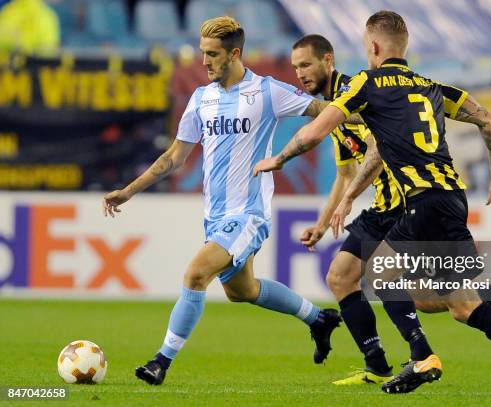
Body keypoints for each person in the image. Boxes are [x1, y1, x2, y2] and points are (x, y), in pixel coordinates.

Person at [255, 11, 491, 397]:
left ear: (373, 47)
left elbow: (315, 131)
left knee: (379, 275)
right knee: (458, 306)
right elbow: (489, 122)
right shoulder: (432, 87)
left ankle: (421, 355)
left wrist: (280, 158)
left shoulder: (366, 84)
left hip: (420, 202)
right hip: (450, 200)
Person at [102, 16, 343, 386]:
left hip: (249, 214)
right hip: (214, 217)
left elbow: (327, 112)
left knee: (195, 274)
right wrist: (129, 190)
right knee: (243, 291)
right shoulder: (202, 98)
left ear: (234, 54)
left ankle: (160, 362)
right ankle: (318, 319)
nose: (204, 62)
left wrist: (371, 113)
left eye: (212, 54)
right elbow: (173, 158)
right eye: (202, 54)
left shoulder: (268, 91)